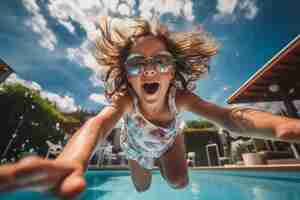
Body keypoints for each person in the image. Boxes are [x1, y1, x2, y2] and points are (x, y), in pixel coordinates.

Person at [1, 17, 300, 199]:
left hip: (169, 141)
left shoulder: (179, 98)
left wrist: (285, 126)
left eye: (161, 61)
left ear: (172, 71)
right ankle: (147, 158)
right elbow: (99, 125)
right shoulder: (126, 100)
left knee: (180, 183)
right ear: (126, 76)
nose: (149, 70)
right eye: (136, 63)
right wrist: (73, 161)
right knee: (143, 189)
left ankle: (175, 138)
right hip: (136, 147)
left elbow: (229, 118)